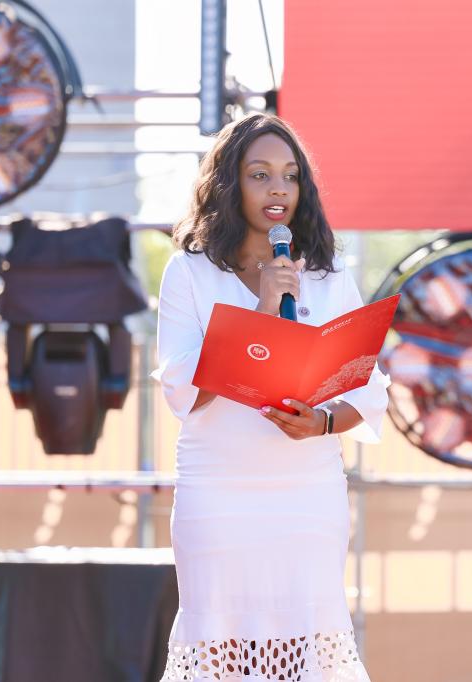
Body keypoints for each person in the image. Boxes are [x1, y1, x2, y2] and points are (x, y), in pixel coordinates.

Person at [153, 113, 387, 681]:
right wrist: (259, 312)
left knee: (307, 650)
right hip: (218, 491)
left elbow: (370, 388)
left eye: (290, 176)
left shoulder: (328, 276)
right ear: (230, 184)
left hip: (307, 494)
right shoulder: (189, 272)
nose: (277, 189)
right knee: (218, 648)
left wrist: (322, 423)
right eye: (259, 175)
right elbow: (183, 390)